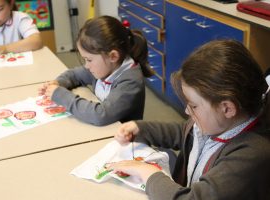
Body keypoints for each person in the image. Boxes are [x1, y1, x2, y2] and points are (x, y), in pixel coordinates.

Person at [108, 40, 270, 199]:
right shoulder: (218, 124)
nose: (187, 110)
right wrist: (141, 129)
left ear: (227, 108)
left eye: (193, 106)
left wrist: (148, 173)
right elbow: (184, 133)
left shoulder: (251, 155)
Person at [38, 15, 154, 126]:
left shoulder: (130, 81)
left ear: (113, 56)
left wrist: (61, 95)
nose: (87, 66)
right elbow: (74, 74)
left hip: (124, 141)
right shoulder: (105, 66)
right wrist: (58, 83)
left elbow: (101, 115)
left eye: (89, 60)